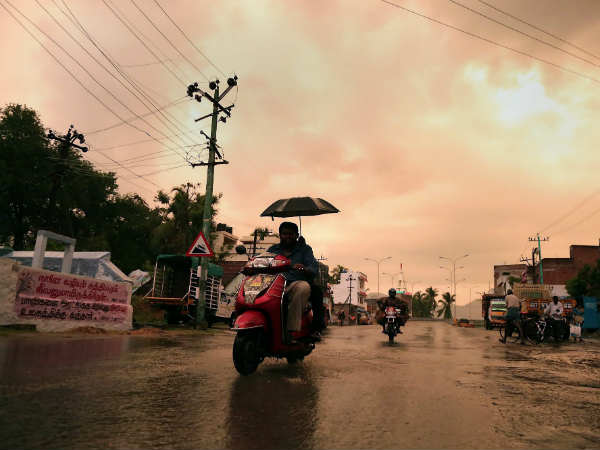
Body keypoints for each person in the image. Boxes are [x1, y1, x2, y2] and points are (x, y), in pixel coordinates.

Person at [267, 221, 321, 343]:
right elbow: (263, 262)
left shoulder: (305, 250)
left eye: (291, 234)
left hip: (295, 284)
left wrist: (304, 268)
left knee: (303, 287)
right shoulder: (272, 250)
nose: (287, 236)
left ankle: (291, 331)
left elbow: (313, 268)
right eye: (284, 234)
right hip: (274, 285)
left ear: (296, 235)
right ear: (280, 235)